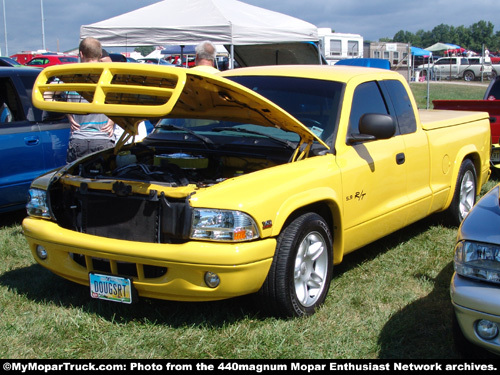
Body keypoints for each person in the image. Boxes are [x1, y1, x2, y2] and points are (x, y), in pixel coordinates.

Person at [65, 37, 115, 163]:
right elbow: (122, 100)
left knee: (75, 180)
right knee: (105, 180)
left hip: (78, 138)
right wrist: (112, 120)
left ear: (81, 53)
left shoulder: (69, 75)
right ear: (100, 54)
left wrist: (69, 117)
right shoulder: (109, 76)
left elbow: (49, 96)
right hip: (104, 138)